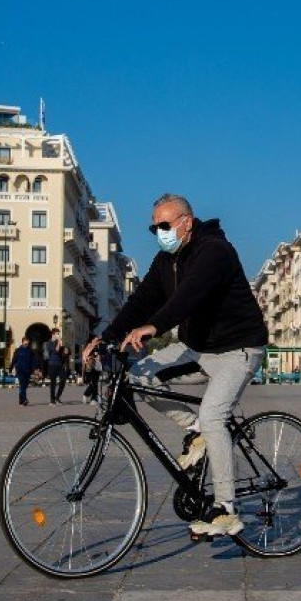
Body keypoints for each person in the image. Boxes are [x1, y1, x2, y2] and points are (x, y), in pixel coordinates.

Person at [83, 194, 267, 538]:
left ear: (186, 222)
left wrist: (156, 326)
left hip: (238, 349)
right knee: (142, 374)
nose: (159, 232)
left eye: (165, 225)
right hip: (198, 348)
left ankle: (225, 509)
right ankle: (195, 431)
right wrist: (105, 337)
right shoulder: (166, 261)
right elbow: (141, 300)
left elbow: (191, 295)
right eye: (155, 227)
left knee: (215, 415)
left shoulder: (215, 251)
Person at [11, 337, 36, 406]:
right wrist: (11, 368)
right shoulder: (18, 350)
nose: (26, 343)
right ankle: (25, 399)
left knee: (24, 386)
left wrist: (33, 369)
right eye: (25, 342)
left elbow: (33, 361)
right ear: (22, 342)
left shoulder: (30, 351)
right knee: (22, 385)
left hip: (28, 370)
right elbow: (14, 360)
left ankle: (21, 401)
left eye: (27, 342)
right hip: (20, 370)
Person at [44, 328, 67, 405]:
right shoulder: (48, 343)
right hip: (52, 364)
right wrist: (58, 343)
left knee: (63, 380)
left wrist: (64, 348)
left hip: (60, 364)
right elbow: (55, 350)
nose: (58, 335)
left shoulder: (59, 342)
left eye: (59, 334)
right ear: (53, 334)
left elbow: (65, 352)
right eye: (57, 334)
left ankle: (57, 397)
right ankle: (52, 399)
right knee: (53, 383)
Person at [80, 334, 102, 404]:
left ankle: (91, 397)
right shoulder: (89, 346)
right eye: (96, 339)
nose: (97, 340)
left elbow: (99, 355)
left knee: (95, 383)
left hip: (97, 366)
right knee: (93, 383)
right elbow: (85, 356)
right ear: (92, 340)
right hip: (90, 367)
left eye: (97, 339)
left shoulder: (97, 347)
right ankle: (89, 396)